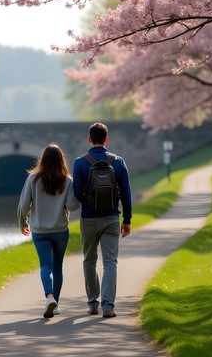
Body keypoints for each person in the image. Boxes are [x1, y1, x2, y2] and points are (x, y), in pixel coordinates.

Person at [72, 122, 132, 318]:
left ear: (89, 139)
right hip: (111, 218)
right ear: (107, 139)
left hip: (88, 219)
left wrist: (90, 202)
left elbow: (78, 193)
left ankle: (92, 304)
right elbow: (126, 193)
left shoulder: (80, 162)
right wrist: (127, 219)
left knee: (89, 261)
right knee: (110, 262)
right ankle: (108, 306)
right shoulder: (118, 161)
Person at [17, 143, 81, 319]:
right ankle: (56, 303)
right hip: (60, 229)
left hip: (39, 230)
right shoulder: (67, 181)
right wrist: (81, 195)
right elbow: (73, 207)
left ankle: (49, 298)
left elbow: (23, 205)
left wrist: (23, 223)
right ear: (61, 160)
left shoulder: (32, 179)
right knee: (57, 266)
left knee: (45, 265)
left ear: (42, 159)